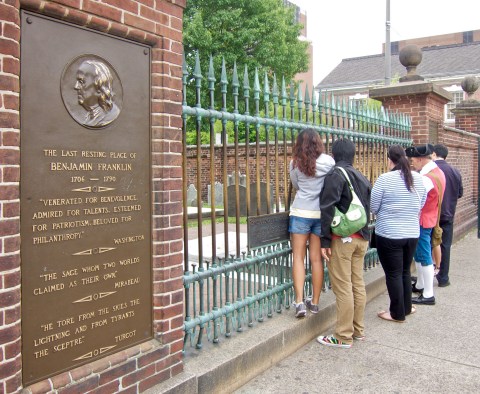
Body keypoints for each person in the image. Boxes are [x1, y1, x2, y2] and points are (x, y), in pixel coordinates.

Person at [317, 138, 371, 348]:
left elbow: (327, 208)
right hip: (361, 239)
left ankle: (342, 336)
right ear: (353, 154)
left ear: (333, 154)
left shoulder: (335, 175)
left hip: (343, 240)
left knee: (343, 287)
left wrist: (325, 240)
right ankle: (358, 330)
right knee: (357, 283)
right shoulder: (361, 175)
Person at [371, 145, 427, 322]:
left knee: (393, 274)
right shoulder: (418, 178)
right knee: (404, 271)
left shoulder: (385, 179)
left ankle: (397, 313)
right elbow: (422, 202)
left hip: (389, 233)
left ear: (389, 160)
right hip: (412, 232)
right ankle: (407, 307)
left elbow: (373, 207)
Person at [289, 129, 335, 318]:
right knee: (316, 259)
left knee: (298, 257)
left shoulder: (295, 163)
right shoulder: (329, 162)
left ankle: (299, 302)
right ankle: (315, 302)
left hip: (300, 212)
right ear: (319, 142)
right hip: (320, 214)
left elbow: (296, 185)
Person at [405, 144, 445, 305]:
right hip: (430, 217)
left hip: (423, 219)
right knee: (422, 255)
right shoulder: (437, 172)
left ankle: (428, 294)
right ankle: (421, 285)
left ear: (421, 159)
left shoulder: (426, 178)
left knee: (423, 256)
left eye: (413, 160)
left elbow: (417, 199)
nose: (412, 162)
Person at [432, 144, 463, 287]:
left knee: (429, 244)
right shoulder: (455, 171)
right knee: (445, 246)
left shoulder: (431, 171)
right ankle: (443, 278)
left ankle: (427, 275)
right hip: (448, 214)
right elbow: (460, 193)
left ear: (433, 154)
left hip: (433, 214)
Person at [74, 59, 120, 127]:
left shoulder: (110, 116)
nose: (76, 87)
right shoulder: (89, 117)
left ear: (99, 88)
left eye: (81, 82)